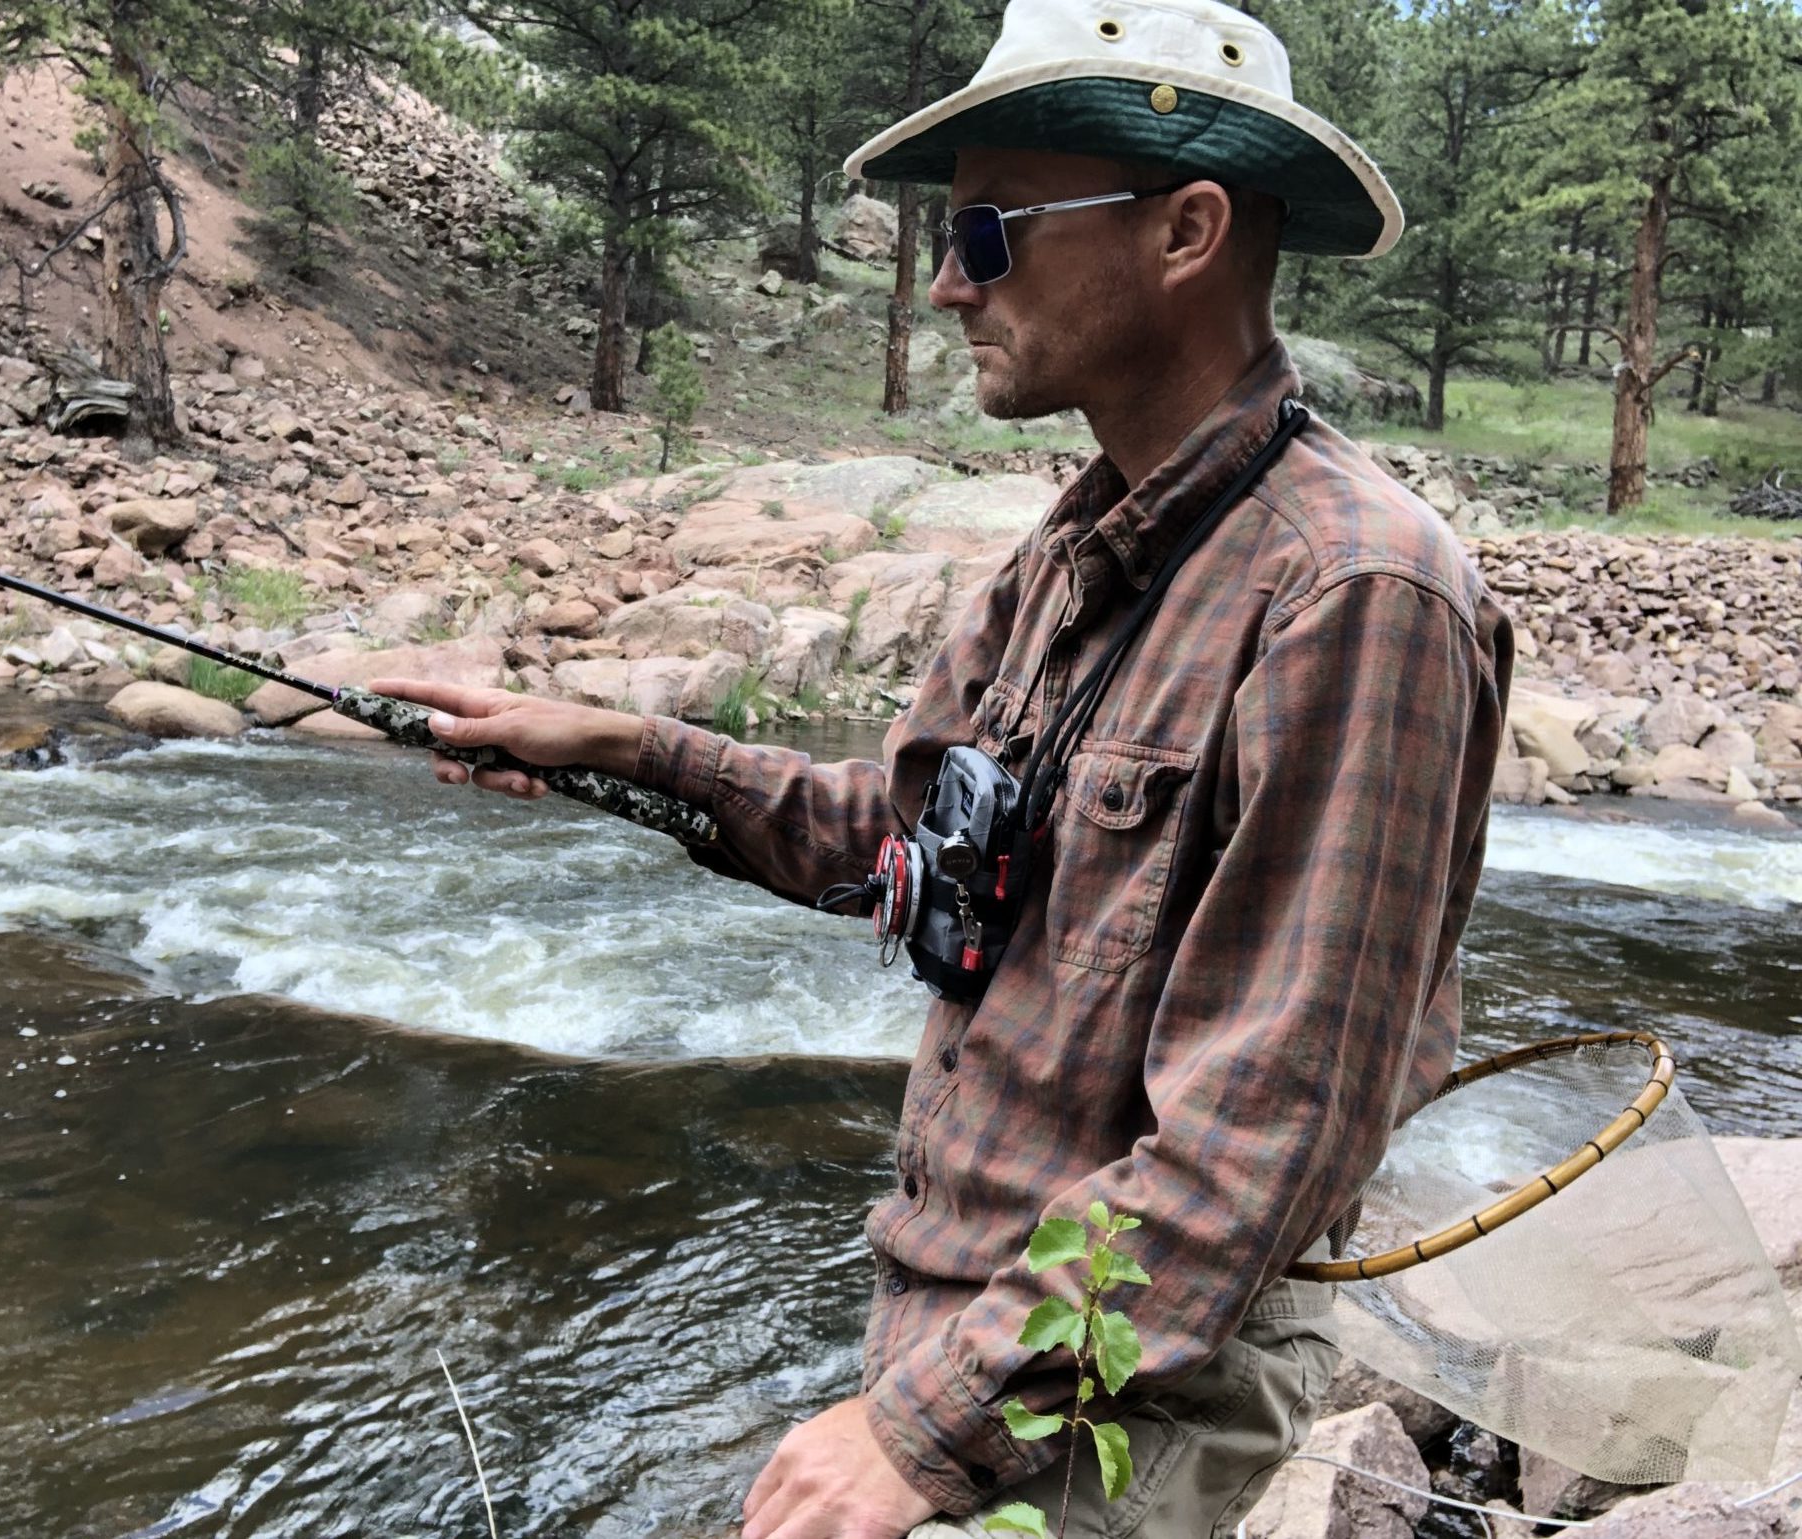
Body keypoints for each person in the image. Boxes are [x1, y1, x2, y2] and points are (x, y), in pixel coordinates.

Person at [377, 0, 1512, 1531]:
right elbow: (900, 838)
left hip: (1126, 1401)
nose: (942, 281)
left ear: (1185, 230)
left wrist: (917, 1437)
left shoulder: (1358, 599)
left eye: (985, 230)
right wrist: (618, 748)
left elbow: (1269, 1137)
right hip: (972, 1334)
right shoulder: (1076, 548)